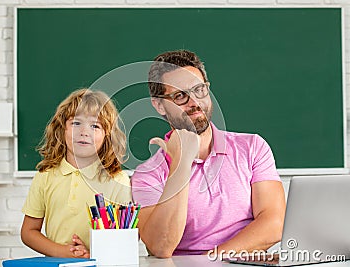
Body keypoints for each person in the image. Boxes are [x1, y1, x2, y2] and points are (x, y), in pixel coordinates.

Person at [131, 50, 286, 258]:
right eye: (180, 96)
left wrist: (211, 260)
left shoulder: (253, 147)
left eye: (199, 90)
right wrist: (181, 162)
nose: (194, 102)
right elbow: (161, 246)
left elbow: (274, 224)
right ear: (159, 105)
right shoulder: (147, 175)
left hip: (244, 262)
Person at [21, 88, 132, 258]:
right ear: (61, 129)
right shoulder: (45, 176)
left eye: (95, 126)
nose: (84, 132)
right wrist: (62, 252)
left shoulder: (118, 180)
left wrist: (91, 254)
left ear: (107, 136)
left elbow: (125, 239)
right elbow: (28, 231)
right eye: (76, 123)